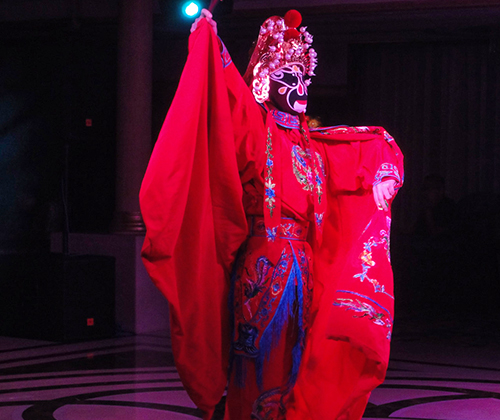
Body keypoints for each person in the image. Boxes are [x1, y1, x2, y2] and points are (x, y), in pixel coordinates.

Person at [140, 9, 403, 420]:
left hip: (306, 267)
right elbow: (229, 92)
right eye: (288, 76)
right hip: (264, 266)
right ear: (265, 80)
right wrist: (211, 39)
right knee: (259, 364)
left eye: (304, 77)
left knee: (301, 362)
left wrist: (383, 176)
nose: (299, 87)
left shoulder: (312, 145)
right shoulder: (257, 130)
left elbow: (364, 148)